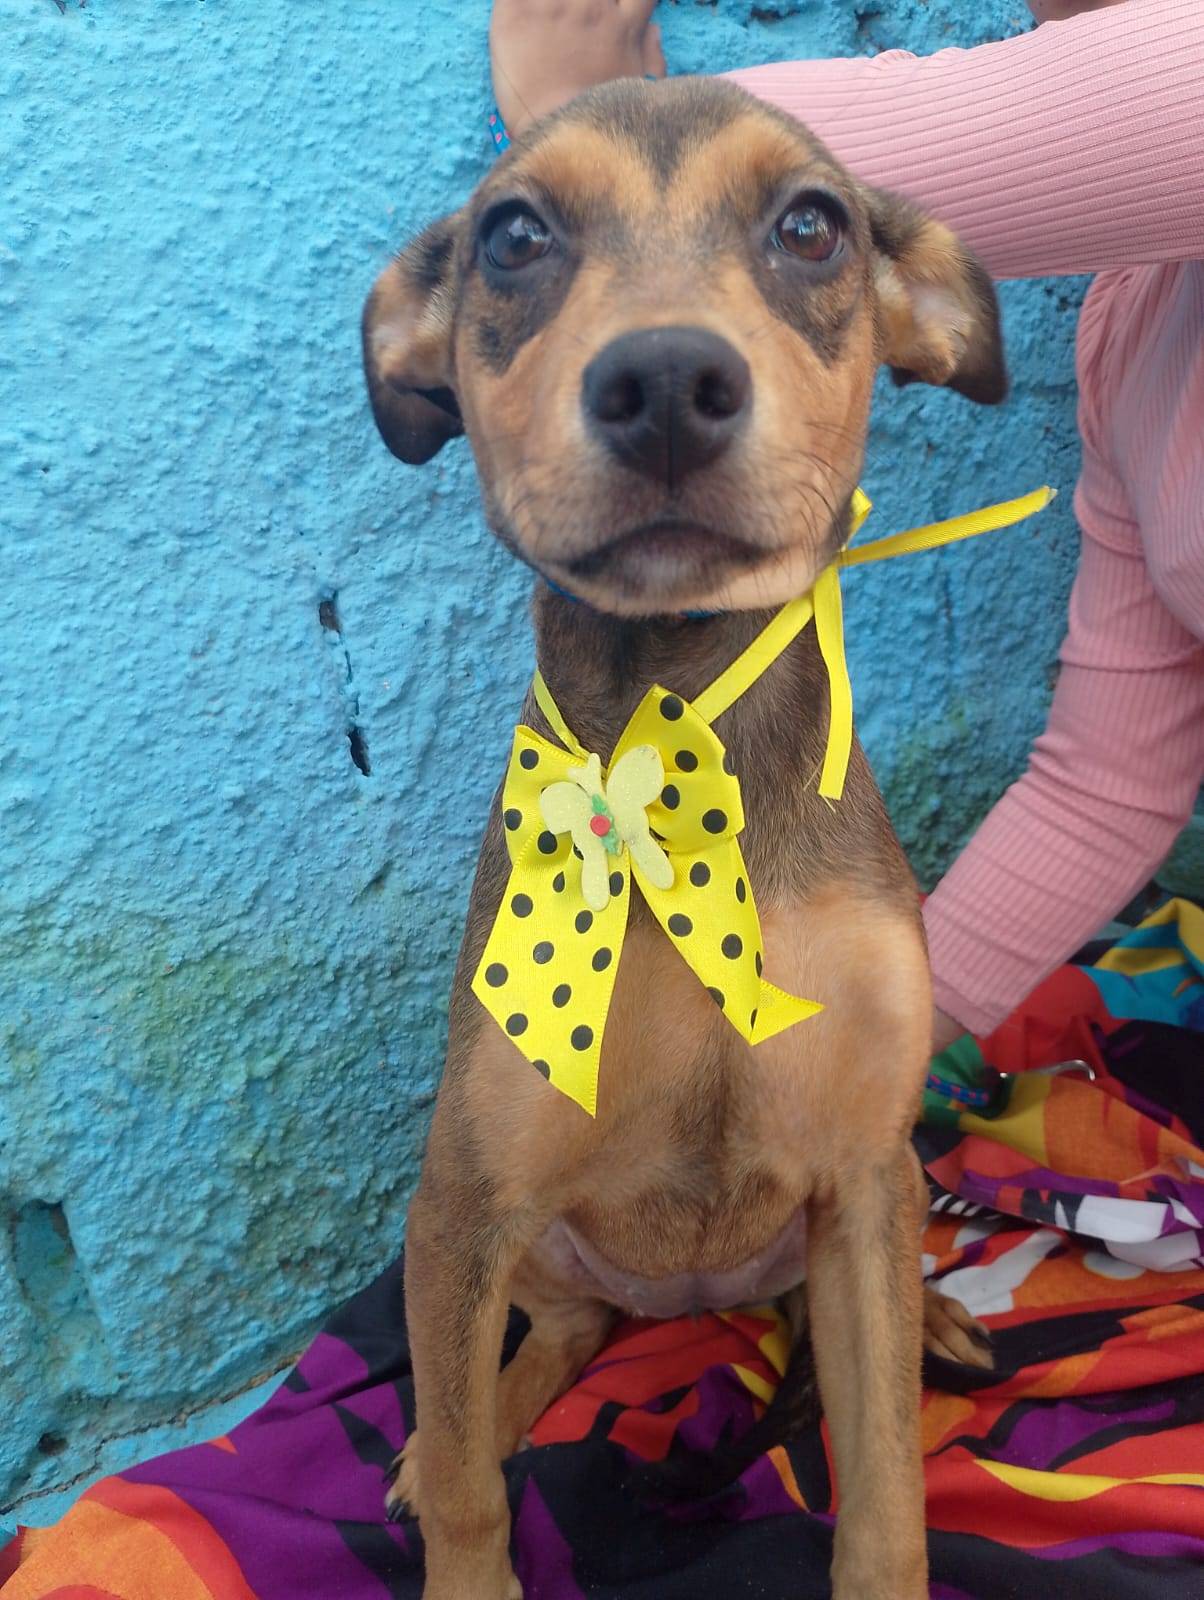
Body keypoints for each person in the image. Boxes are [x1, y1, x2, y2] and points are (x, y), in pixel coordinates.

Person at [488, 0, 1204, 1054]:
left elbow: (948, 136)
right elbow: (1110, 785)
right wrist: (841, 1073)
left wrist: (578, 119)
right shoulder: (1133, 332)